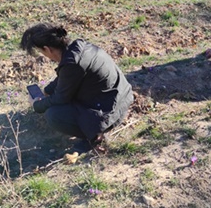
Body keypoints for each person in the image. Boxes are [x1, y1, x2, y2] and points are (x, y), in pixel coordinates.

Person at [20, 23, 133, 153]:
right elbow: (65, 79)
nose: (43, 55)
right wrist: (47, 91)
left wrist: (37, 105)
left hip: (111, 113)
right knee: (64, 101)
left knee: (54, 115)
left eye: (41, 52)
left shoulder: (72, 64)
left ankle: (94, 136)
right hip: (122, 99)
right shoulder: (79, 47)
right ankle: (95, 128)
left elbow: (60, 98)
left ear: (47, 49)